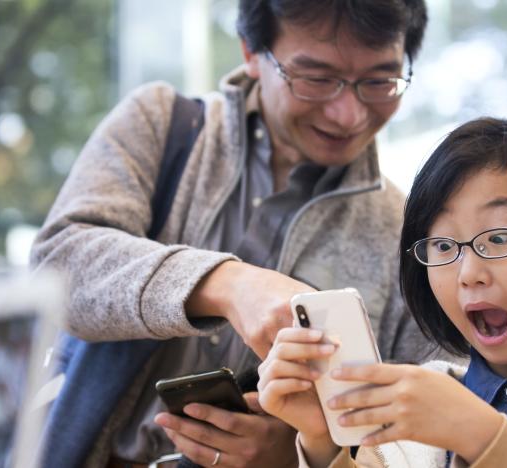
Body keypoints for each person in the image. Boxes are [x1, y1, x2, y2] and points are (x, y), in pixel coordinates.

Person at [29, 1, 438, 467]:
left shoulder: (405, 235)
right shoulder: (163, 125)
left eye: (379, 81)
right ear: (250, 51)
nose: (348, 114)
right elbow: (55, 269)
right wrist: (227, 285)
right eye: (317, 79)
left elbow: (417, 442)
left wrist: (301, 454)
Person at [257, 114, 507, 467]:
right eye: (443, 246)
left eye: (499, 238)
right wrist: (322, 444)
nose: (469, 274)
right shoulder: (408, 409)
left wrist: (481, 434)